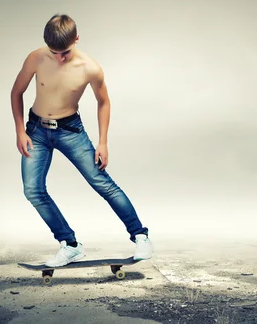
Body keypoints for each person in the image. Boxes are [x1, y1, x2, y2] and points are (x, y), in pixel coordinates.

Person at [10, 13, 153, 267]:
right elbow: (17, 91)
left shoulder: (90, 68)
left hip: (70, 130)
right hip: (36, 131)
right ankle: (71, 245)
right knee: (32, 190)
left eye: (65, 52)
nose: (60, 58)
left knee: (101, 182)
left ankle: (140, 236)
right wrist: (20, 130)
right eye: (54, 52)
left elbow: (104, 102)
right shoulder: (36, 58)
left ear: (76, 39)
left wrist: (103, 142)